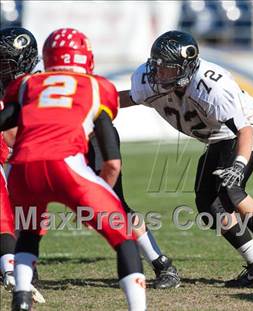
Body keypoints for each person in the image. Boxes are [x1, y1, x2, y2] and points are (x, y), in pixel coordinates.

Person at [119, 30, 253, 287]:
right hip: (218, 137)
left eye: (166, 69)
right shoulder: (148, 80)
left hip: (248, 128)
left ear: (186, 67)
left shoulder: (212, 86)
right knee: (208, 206)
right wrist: (94, 104)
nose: (158, 73)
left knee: (231, 190)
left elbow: (244, 130)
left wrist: (239, 164)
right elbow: (128, 98)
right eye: (157, 66)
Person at [0, 28, 146, 311]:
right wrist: (96, 198)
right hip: (66, 164)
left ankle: (21, 299)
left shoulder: (28, 84)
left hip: (23, 170)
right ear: (85, 57)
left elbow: (7, 119)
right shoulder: (96, 86)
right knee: (123, 236)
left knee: (28, 234)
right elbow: (112, 162)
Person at [88, 126, 181, 289]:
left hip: (94, 137)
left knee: (117, 209)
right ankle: (29, 271)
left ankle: (163, 266)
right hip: (69, 140)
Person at [0, 27, 45, 303]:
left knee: (27, 209)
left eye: (6, 63)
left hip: (42, 149)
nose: (2, 69)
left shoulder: (40, 83)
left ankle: (24, 263)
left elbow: (17, 134)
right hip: (16, 148)